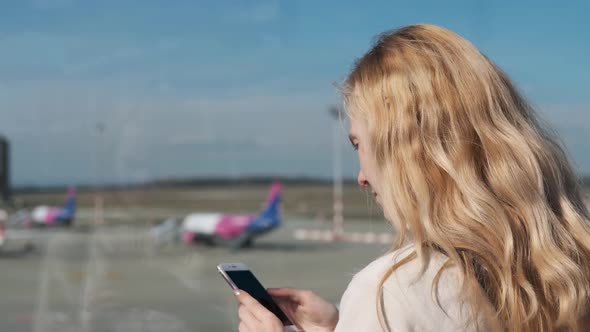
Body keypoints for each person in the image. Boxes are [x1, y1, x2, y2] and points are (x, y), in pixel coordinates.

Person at [235, 24, 590, 332]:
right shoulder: (563, 267)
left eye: (359, 144)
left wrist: (372, 316)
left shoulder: (392, 291)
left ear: (405, 152)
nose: (361, 177)